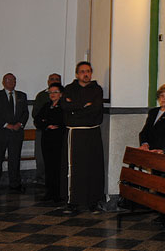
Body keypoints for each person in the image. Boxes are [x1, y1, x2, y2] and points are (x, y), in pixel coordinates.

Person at [61, 61, 104, 214]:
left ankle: (93, 201)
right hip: (76, 133)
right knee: (75, 168)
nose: (86, 74)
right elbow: (65, 107)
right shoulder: (69, 89)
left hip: (93, 132)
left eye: (88, 71)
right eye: (82, 71)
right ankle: (73, 201)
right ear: (77, 74)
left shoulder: (97, 89)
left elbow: (96, 108)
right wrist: (84, 106)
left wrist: (77, 108)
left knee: (93, 166)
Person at [0, 73, 29, 193]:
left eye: (14, 80)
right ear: (3, 81)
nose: (11, 82)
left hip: (16, 133)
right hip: (0, 133)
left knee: (15, 159)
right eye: (9, 80)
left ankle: (15, 184)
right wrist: (7, 125)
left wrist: (20, 124)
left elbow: (25, 113)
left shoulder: (22, 95)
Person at [34, 82, 66, 202]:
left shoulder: (63, 107)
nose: (52, 94)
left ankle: (58, 193)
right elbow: (37, 120)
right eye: (50, 92)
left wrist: (46, 121)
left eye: (55, 92)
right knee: (48, 166)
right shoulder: (46, 105)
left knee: (57, 167)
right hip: (46, 140)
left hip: (58, 140)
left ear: (61, 94)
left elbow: (61, 121)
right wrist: (46, 124)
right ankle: (49, 192)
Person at [32, 73, 61, 185]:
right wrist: (46, 123)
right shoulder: (41, 96)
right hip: (43, 132)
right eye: (52, 79)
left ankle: (55, 181)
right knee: (41, 158)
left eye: (57, 79)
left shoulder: (63, 95)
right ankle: (42, 179)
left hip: (58, 134)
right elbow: (36, 114)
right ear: (48, 82)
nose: (54, 80)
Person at [138, 84, 165, 153]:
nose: (163, 98)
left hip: (162, 151)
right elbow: (145, 131)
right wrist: (144, 144)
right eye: (161, 95)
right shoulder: (153, 112)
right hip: (148, 149)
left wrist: (163, 150)